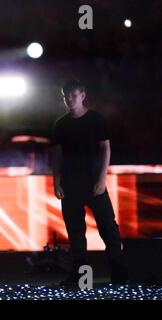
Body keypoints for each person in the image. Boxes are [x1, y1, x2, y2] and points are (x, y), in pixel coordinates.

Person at [52, 80, 128, 285]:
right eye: (66, 96)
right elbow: (57, 154)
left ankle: (118, 272)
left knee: (108, 228)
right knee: (75, 231)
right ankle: (80, 274)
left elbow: (105, 148)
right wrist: (56, 181)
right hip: (70, 183)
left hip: (94, 181)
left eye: (73, 95)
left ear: (82, 95)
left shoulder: (96, 120)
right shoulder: (61, 123)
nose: (69, 99)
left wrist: (102, 178)